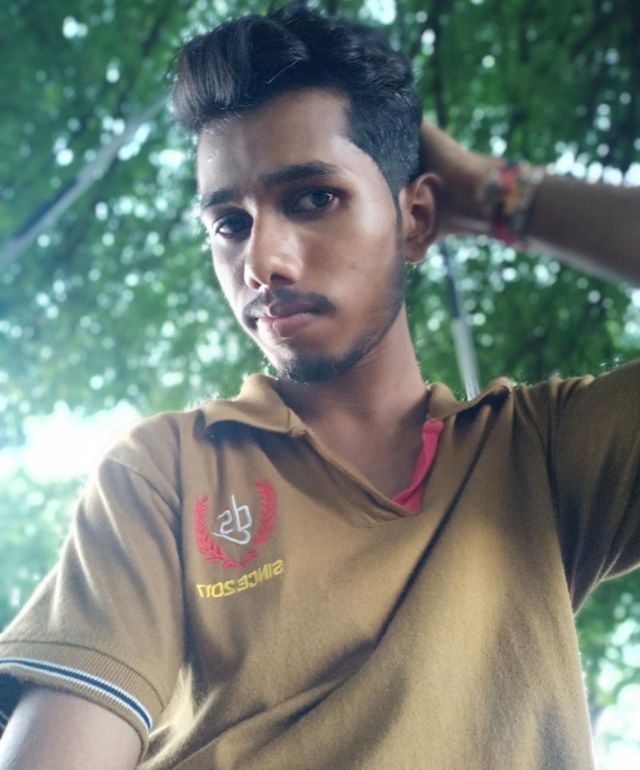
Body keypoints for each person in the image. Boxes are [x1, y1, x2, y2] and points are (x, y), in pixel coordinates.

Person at [0, 5, 638, 769]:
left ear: (416, 218)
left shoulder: (539, 456)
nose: (261, 261)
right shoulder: (166, 471)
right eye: (229, 223)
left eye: (312, 198)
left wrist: (494, 195)